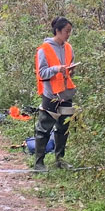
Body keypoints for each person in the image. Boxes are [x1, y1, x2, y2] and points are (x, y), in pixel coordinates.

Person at [33, 16, 78, 170]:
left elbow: (69, 68)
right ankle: (39, 163)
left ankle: (60, 160)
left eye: (70, 31)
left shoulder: (69, 48)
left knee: (63, 128)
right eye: (66, 31)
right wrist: (57, 69)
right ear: (57, 31)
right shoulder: (43, 50)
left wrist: (70, 71)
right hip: (50, 95)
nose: (68, 34)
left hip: (66, 94)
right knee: (44, 129)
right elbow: (42, 73)